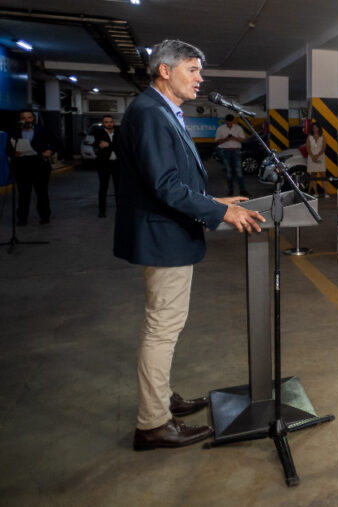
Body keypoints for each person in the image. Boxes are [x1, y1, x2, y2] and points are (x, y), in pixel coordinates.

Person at [114, 39, 265, 451]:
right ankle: (153, 423)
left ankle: (162, 400)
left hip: (170, 233)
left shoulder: (162, 111)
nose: (200, 79)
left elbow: (172, 180)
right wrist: (222, 213)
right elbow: (164, 186)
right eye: (193, 70)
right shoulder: (149, 114)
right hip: (164, 237)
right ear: (165, 71)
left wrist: (216, 201)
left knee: (166, 326)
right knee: (161, 329)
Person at [6, 108, 61, 225]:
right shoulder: (14, 132)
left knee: (42, 193)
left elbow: (56, 143)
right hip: (22, 167)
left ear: (33, 118)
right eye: (23, 118)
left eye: (29, 117)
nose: (27, 120)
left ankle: (44, 216)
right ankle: (22, 218)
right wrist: (13, 152)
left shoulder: (43, 130)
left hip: (40, 166)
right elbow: (7, 149)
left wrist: (49, 151)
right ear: (20, 120)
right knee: (23, 194)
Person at [90, 115, 119, 218]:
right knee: (103, 188)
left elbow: (122, 145)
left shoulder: (118, 132)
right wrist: (101, 146)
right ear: (103, 123)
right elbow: (97, 145)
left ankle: (120, 211)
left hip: (117, 164)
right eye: (106, 122)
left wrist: (109, 145)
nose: (109, 124)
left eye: (110, 122)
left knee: (119, 189)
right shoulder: (99, 133)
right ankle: (101, 211)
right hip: (104, 164)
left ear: (113, 123)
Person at [214, 114, 248, 197]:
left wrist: (234, 138)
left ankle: (242, 190)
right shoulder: (220, 129)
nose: (229, 123)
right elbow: (217, 141)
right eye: (228, 122)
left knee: (239, 172)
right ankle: (231, 190)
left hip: (236, 151)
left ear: (233, 121)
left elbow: (243, 140)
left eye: (230, 122)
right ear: (225, 121)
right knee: (229, 172)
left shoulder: (238, 128)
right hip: (225, 151)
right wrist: (227, 138)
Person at [305, 122, 326, 197]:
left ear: (319, 128)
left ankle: (326, 193)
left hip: (320, 157)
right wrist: (312, 156)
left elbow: (323, 148)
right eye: (313, 128)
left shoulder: (322, 137)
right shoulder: (309, 137)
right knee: (313, 175)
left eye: (316, 127)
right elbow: (307, 148)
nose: (315, 129)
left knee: (323, 175)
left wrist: (317, 156)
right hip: (311, 157)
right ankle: (316, 192)